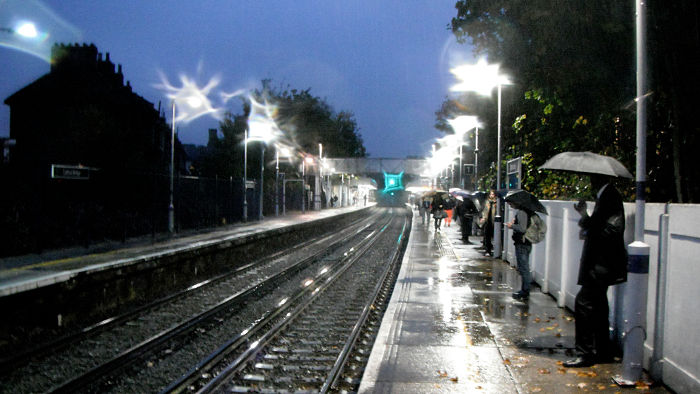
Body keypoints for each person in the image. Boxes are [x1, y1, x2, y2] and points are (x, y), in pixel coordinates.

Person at [564, 175, 627, 368]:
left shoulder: (610, 196)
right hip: (600, 265)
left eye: (592, 179)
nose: (589, 182)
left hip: (601, 265)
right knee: (599, 307)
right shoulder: (606, 196)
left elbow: (612, 230)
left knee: (583, 303)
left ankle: (585, 353)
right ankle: (603, 350)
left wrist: (589, 228)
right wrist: (584, 215)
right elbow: (599, 225)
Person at [506, 202, 533, 301]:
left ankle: (525, 291)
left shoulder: (522, 212)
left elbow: (522, 228)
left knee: (524, 268)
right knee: (523, 267)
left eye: (511, 203)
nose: (510, 205)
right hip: (525, 243)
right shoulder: (525, 212)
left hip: (522, 244)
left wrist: (511, 226)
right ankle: (524, 290)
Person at [479, 190, 497, 256]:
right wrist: (483, 218)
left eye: (493, 194)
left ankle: (496, 250)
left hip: (494, 222)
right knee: (487, 236)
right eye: (491, 194)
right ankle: (488, 250)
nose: (492, 196)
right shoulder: (487, 202)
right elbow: (484, 211)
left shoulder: (497, 203)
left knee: (494, 236)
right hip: (487, 221)